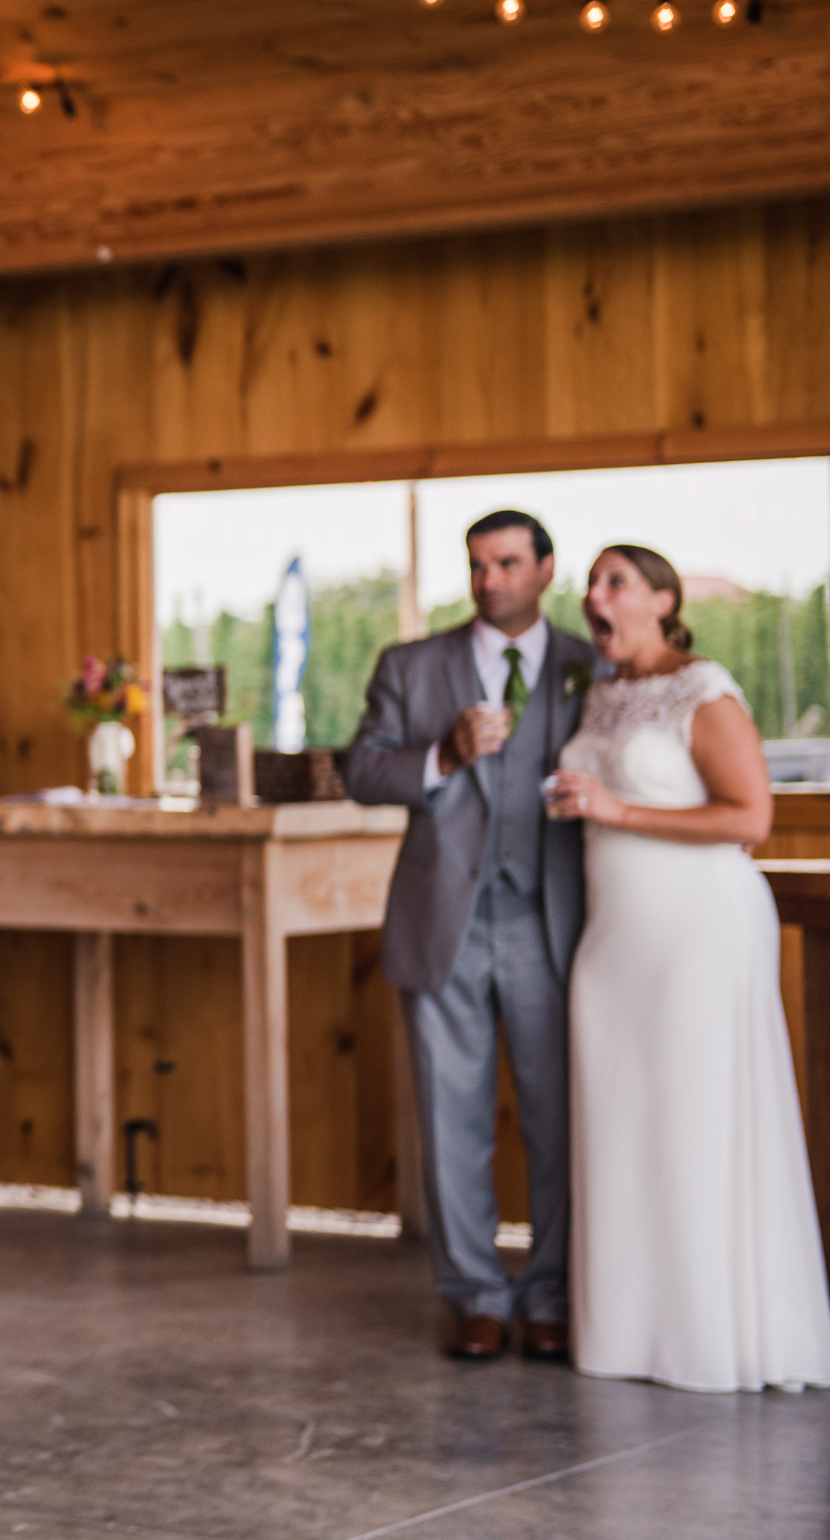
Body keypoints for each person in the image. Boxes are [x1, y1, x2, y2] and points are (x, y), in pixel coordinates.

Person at [545, 545, 830, 1390]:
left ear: (663, 602)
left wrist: (616, 806)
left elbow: (752, 815)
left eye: (615, 581)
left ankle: (711, 1336)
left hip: (696, 931)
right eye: (592, 582)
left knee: (697, 1120)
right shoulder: (600, 695)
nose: (595, 595)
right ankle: (631, 1333)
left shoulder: (704, 688)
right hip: (613, 938)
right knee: (626, 1121)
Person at [343, 509, 596, 1362]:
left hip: (552, 921)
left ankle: (554, 1294)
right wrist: (441, 757)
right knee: (453, 1121)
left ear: (546, 569)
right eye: (478, 565)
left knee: (560, 1120)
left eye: (508, 564)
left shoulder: (587, 667)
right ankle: (476, 1297)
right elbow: (360, 770)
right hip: (443, 920)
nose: (490, 580)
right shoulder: (411, 665)